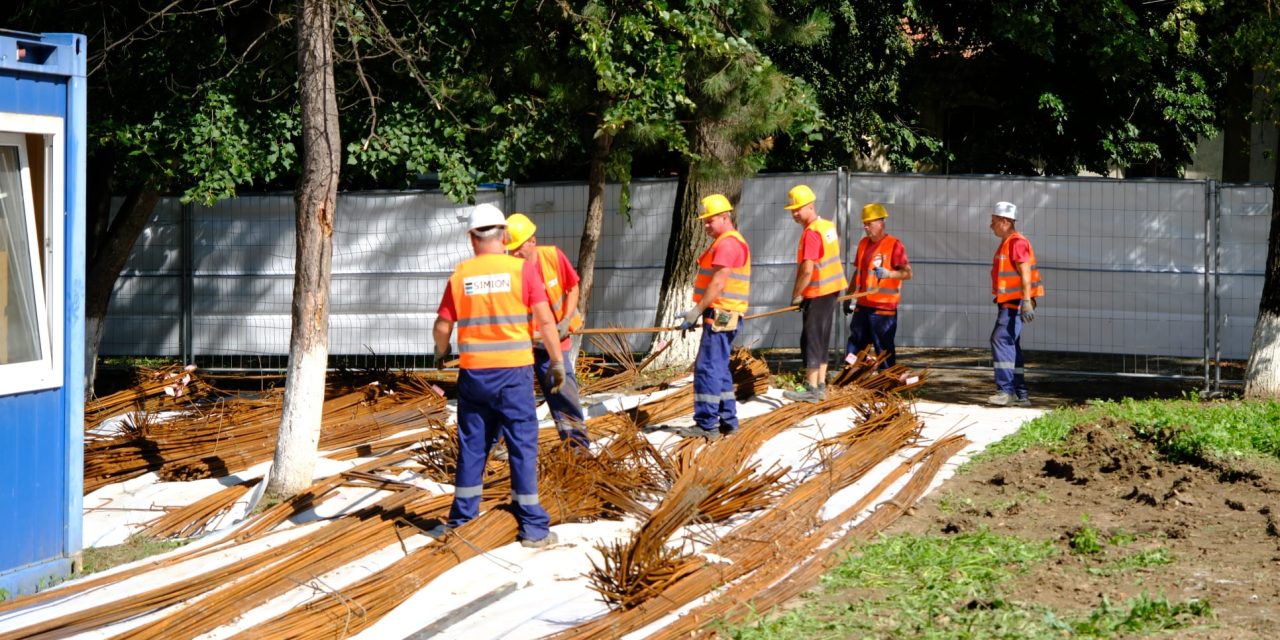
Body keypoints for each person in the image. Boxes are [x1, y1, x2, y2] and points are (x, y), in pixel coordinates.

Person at [432, 203, 566, 548]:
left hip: (474, 377)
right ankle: (533, 529)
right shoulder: (521, 272)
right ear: (504, 235)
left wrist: (441, 351)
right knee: (522, 446)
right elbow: (546, 321)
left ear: (471, 238)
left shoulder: (460, 276)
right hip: (514, 376)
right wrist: (556, 361)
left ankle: (462, 520)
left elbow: (443, 325)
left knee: (473, 446)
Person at [504, 213, 590, 449]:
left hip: (554, 342)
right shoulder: (510, 269)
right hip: (523, 345)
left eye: (517, 247)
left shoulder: (552, 256)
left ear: (532, 241)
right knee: (513, 397)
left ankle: (577, 447)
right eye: (509, 249)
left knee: (563, 393)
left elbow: (572, 286)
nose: (514, 253)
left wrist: (565, 320)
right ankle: (506, 446)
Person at [673, 194, 751, 440]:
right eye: (704, 221)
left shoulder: (727, 244)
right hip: (724, 313)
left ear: (725, 217)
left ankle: (707, 424)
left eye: (710, 221)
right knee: (719, 368)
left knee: (707, 368)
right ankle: (728, 420)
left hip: (721, 313)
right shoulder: (727, 241)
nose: (706, 226)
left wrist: (696, 310)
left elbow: (717, 283)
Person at [782, 184, 847, 403]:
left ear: (810, 206)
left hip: (818, 291)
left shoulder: (811, 233)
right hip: (831, 289)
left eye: (798, 209)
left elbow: (807, 269)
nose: (795, 214)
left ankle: (811, 388)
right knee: (821, 336)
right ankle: (819, 384)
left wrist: (797, 295)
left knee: (810, 338)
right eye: (792, 210)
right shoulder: (827, 226)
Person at [987, 201, 1043, 406]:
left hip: (1014, 303)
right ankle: (1020, 393)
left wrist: (1027, 301)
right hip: (1010, 302)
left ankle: (1005, 391)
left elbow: (1025, 273)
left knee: (1000, 340)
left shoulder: (1016, 242)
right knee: (1011, 345)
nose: (990, 226)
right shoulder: (1009, 242)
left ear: (1004, 221)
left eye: (993, 222)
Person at [844, 203, 912, 368]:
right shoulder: (863, 244)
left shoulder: (894, 245)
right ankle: (851, 375)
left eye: (870, 223)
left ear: (881, 223)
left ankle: (885, 384)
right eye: (864, 223)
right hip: (862, 305)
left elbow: (908, 273)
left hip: (883, 309)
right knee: (855, 346)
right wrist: (849, 295)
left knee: (883, 349)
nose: (866, 227)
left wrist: (889, 274)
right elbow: (858, 272)